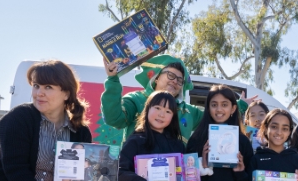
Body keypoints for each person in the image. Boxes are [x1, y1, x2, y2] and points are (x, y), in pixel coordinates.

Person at [101, 54, 255, 143]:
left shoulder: (189, 111)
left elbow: (216, 116)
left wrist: (240, 105)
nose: (175, 81)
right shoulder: (136, 99)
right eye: (170, 75)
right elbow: (114, 118)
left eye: (180, 80)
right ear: (155, 78)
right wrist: (113, 80)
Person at [117, 91, 187, 181]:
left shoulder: (178, 145)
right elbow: (119, 172)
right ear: (147, 109)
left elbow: (183, 179)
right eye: (157, 108)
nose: (162, 114)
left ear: (173, 116)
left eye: (168, 111)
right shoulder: (135, 141)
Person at [186, 85, 254, 181]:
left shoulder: (243, 141)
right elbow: (187, 180)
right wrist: (202, 165)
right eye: (214, 105)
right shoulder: (197, 139)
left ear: (233, 108)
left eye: (224, 104)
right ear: (208, 108)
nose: (219, 109)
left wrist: (240, 173)